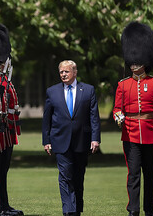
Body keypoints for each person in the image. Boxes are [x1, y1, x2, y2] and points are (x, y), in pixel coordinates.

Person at [113, 22, 153, 216]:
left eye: (137, 61)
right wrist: (118, 116)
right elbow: (117, 109)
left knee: (150, 175)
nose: (134, 64)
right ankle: (133, 209)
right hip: (130, 134)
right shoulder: (123, 85)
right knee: (133, 174)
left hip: (151, 134)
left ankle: (149, 210)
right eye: (132, 61)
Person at [42, 60, 101, 216]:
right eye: (61, 71)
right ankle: (68, 210)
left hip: (82, 141)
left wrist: (95, 139)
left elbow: (94, 117)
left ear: (75, 72)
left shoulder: (88, 90)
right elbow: (46, 118)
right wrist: (46, 140)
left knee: (78, 178)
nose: (63, 74)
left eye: (66, 71)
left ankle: (76, 210)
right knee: (65, 175)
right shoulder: (52, 91)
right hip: (60, 140)